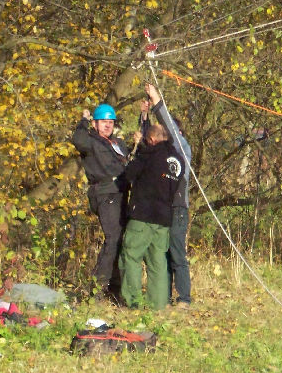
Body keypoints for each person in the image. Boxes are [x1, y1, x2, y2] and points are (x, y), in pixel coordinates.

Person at [118, 123, 184, 310]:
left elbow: (129, 174)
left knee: (131, 257)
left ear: (152, 140)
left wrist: (138, 149)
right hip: (164, 218)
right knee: (158, 262)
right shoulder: (178, 159)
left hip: (143, 215)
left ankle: (134, 302)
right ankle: (158, 305)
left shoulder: (148, 154)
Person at [72, 103, 133, 299]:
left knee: (120, 239)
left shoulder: (117, 143)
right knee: (113, 238)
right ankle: (97, 288)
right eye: (104, 122)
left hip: (121, 192)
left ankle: (115, 287)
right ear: (96, 124)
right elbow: (77, 140)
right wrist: (84, 120)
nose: (107, 125)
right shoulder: (91, 141)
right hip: (105, 193)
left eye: (110, 122)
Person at [140, 83, 192, 308]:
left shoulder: (183, 150)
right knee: (163, 255)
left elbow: (167, 128)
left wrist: (157, 100)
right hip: (163, 209)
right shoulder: (163, 153)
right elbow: (148, 144)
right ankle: (166, 297)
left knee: (177, 254)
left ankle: (184, 298)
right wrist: (144, 117)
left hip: (178, 209)